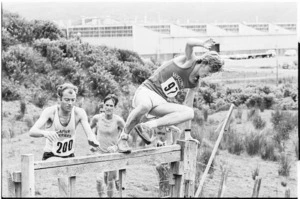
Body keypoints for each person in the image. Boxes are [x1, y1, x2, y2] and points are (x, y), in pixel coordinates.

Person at [117, 38, 223, 153]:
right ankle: (123, 138)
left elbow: (188, 105)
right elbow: (188, 44)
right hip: (147, 91)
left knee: (189, 112)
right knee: (145, 106)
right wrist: (202, 44)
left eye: (213, 73)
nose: (209, 74)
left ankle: (147, 126)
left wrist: (187, 134)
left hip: (161, 102)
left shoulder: (195, 83)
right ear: (205, 63)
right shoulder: (190, 60)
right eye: (210, 70)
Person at [29, 83, 100, 161]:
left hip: (69, 156)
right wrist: (45, 133)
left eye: (73, 100)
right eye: (67, 100)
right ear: (60, 99)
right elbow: (32, 131)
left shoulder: (79, 113)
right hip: (51, 155)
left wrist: (92, 140)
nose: (70, 103)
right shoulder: (50, 112)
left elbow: (89, 133)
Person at [89, 94, 125, 197]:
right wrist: (92, 141)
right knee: (99, 180)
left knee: (110, 181)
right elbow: (89, 129)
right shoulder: (97, 118)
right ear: (103, 105)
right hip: (99, 152)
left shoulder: (118, 120)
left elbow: (126, 135)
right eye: (107, 105)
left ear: (115, 107)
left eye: (111, 105)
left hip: (112, 154)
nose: (108, 108)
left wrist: (117, 146)